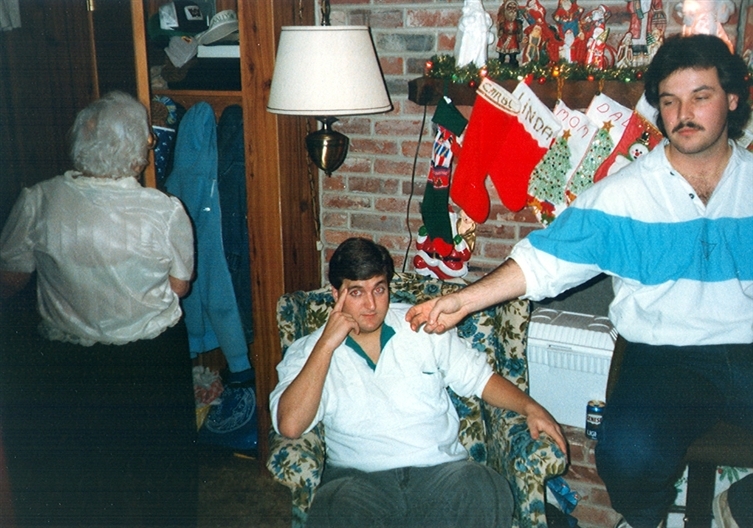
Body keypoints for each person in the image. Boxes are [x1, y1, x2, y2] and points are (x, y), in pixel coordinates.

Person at [407, 33, 753, 528]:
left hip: (747, 349)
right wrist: (463, 300)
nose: (683, 114)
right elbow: (544, 260)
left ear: (732, 99)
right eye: (670, 101)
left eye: (701, 97)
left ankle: (742, 505)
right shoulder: (626, 194)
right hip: (664, 355)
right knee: (627, 454)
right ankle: (645, 520)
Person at [270, 237, 566, 528]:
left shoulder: (420, 326)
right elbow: (291, 425)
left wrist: (530, 407)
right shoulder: (310, 350)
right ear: (336, 294)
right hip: (358, 484)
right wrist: (326, 346)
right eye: (357, 292)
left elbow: (481, 379)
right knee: (334, 508)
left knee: (481, 485)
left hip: (439, 474)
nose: (371, 305)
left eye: (379, 289)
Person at [0, 91, 198, 526]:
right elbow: (180, 286)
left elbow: (11, 278)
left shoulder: (38, 200)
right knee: (163, 477)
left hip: (68, 364)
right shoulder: (164, 211)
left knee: (83, 478)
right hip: (149, 363)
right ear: (137, 149)